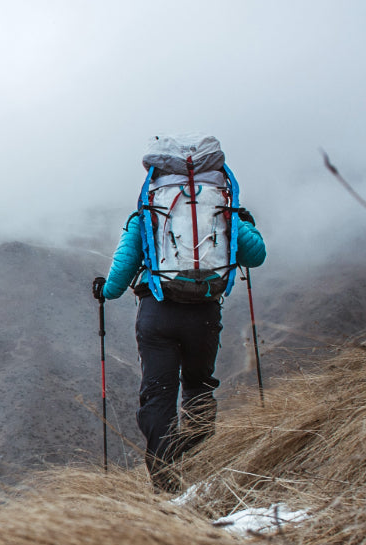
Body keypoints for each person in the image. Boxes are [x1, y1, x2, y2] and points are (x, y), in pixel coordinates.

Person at [92, 135, 266, 494]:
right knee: (199, 386)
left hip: (158, 315)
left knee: (157, 394)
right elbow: (256, 255)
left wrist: (103, 290)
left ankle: (165, 481)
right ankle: (197, 462)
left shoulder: (149, 213)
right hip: (203, 315)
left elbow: (118, 276)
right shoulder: (222, 209)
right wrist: (243, 222)